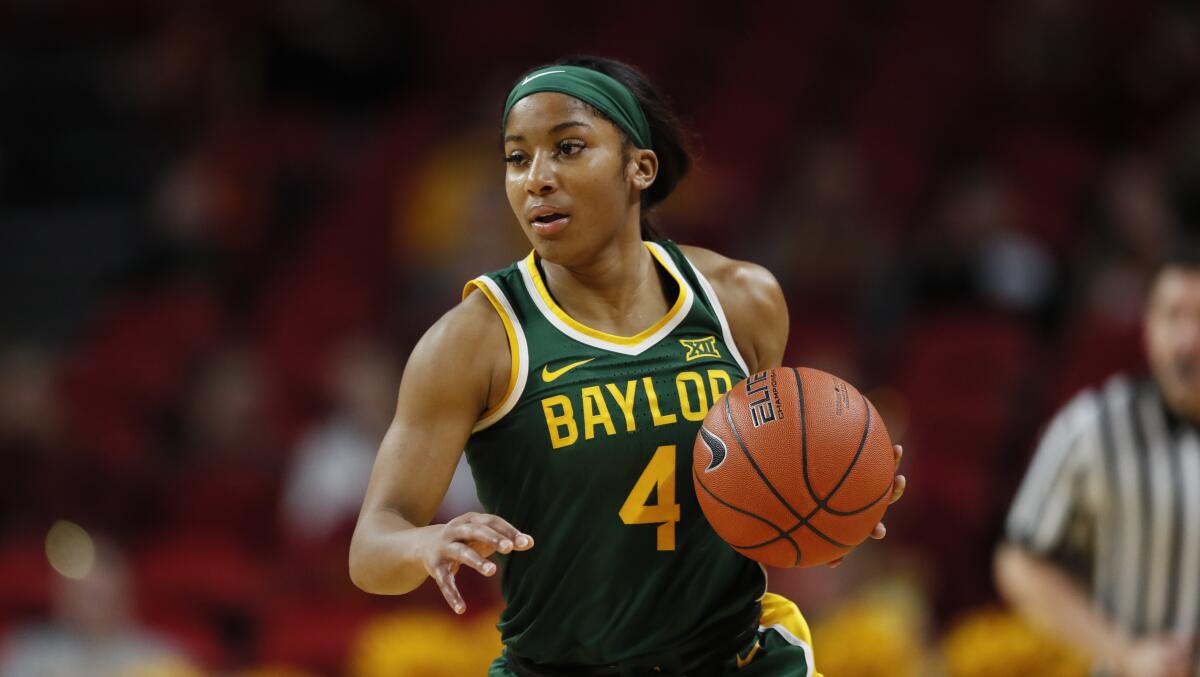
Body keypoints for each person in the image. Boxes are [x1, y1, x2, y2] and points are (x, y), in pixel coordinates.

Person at [349, 56, 905, 677]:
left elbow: (764, 475)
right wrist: (425, 542)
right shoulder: (475, 340)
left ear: (640, 168)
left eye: (568, 148)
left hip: (735, 661)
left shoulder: (741, 300)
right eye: (516, 157)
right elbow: (372, 546)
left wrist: (829, 499)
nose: (536, 178)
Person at [997, 240, 1200, 677]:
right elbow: (1019, 562)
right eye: (1173, 317)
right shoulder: (1094, 426)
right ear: (1147, 326)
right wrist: (1123, 652)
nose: (1188, 341)